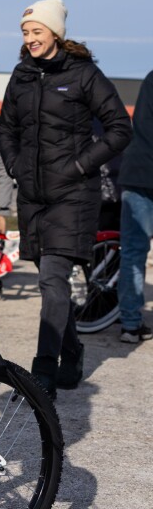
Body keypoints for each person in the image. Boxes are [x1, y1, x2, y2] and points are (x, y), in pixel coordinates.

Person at [0, 0, 132, 398]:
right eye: (25, 32)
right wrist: (17, 165)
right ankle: (71, 355)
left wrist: (78, 166)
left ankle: (43, 374)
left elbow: (119, 128)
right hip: (35, 196)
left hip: (73, 195)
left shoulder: (84, 74)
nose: (30, 38)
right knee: (50, 281)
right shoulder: (21, 75)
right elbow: (6, 130)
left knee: (53, 281)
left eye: (37, 31)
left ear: (55, 33)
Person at [117, 70, 153, 342]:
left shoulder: (151, 78)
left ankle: (130, 324)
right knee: (133, 251)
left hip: (135, 171)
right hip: (143, 172)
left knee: (132, 251)